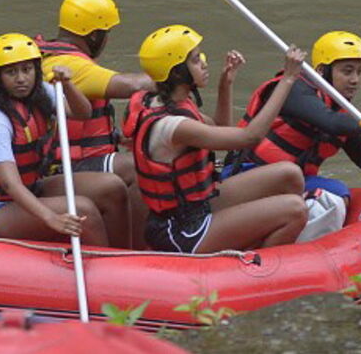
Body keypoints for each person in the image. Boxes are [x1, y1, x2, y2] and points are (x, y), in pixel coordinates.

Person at [123, 25, 308, 254]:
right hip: (182, 231)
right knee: (295, 210)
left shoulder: (167, 102)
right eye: (194, 59)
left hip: (196, 206)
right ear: (177, 71)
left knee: (289, 174)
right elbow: (250, 137)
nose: (203, 61)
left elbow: (222, 129)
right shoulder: (174, 126)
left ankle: (266, 241)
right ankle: (256, 268)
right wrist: (288, 79)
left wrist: (226, 83)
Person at [0, 33, 131, 247]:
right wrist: (51, 218)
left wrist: (67, 84)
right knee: (82, 209)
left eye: (27, 70)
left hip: (31, 186)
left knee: (112, 187)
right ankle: (105, 270)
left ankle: (123, 256)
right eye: (11, 72)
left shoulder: (41, 92)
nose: (21, 79)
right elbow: (9, 183)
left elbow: (83, 112)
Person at [224, 31, 361, 199]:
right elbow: (331, 123)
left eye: (359, 72)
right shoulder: (293, 90)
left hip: (290, 181)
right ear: (322, 71)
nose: (355, 80)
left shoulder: (340, 113)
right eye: (347, 71)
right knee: (335, 193)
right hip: (246, 175)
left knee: (338, 192)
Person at [35, 0, 154, 183]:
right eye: (106, 32)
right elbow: (133, 85)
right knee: (140, 165)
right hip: (64, 166)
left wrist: (116, 137)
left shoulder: (47, 53)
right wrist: (179, 73)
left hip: (75, 158)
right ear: (93, 35)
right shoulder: (72, 66)